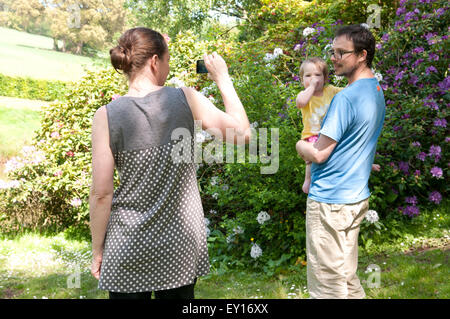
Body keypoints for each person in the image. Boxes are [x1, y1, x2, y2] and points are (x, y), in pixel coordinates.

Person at [89, 27, 250, 299]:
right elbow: (243, 134)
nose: (167, 67)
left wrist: (98, 250)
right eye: (167, 60)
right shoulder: (185, 98)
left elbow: (101, 194)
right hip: (178, 248)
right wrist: (223, 79)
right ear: (154, 61)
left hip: (127, 245)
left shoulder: (105, 116)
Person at [296, 24, 385, 299]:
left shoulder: (345, 98)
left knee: (327, 287)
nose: (333, 58)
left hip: (330, 203)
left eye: (341, 53)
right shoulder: (376, 91)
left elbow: (319, 153)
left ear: (362, 55)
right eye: (332, 51)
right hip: (355, 199)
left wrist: (300, 145)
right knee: (345, 278)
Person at [296, 57, 380, 194]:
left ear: (324, 78)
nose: (313, 79)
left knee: (347, 150)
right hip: (312, 136)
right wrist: (311, 87)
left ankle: (365, 164)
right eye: (308, 76)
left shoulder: (330, 90)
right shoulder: (304, 95)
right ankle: (308, 180)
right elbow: (301, 102)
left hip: (331, 133)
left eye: (317, 75)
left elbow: (347, 92)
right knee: (310, 161)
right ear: (301, 80)